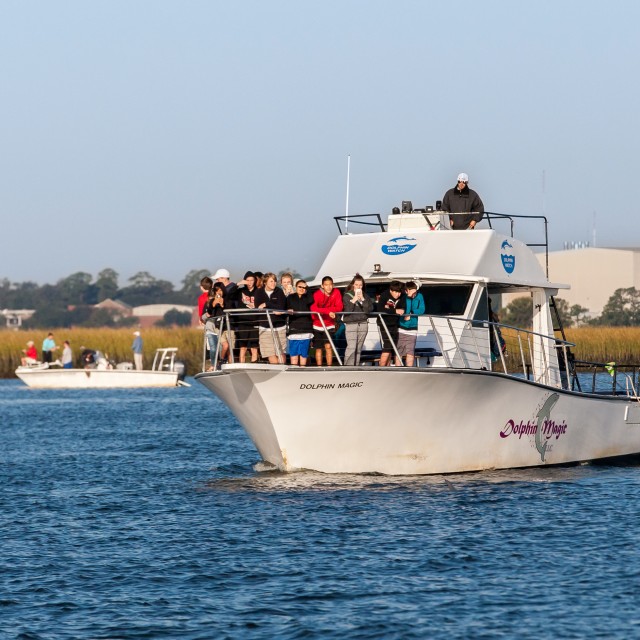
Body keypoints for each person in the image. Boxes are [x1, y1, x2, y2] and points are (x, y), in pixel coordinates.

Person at [254, 272, 288, 364]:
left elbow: (281, 307)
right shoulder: (259, 292)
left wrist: (267, 304)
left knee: (280, 352)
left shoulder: (279, 291)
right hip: (265, 327)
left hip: (279, 327)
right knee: (270, 353)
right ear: (265, 282)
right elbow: (258, 308)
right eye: (271, 281)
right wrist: (273, 308)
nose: (273, 283)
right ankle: (276, 372)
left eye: (275, 281)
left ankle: (282, 371)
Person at [310, 276, 344, 366]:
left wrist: (327, 311)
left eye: (330, 285)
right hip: (317, 324)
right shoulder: (317, 294)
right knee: (318, 348)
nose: (329, 287)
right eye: (326, 285)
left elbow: (339, 307)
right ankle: (319, 368)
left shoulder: (336, 292)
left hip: (329, 324)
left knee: (328, 346)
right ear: (322, 286)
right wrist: (328, 311)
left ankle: (329, 367)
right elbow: (313, 308)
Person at [342, 274, 374, 366]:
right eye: (356, 285)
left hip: (363, 324)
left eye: (360, 285)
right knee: (351, 348)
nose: (358, 287)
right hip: (351, 324)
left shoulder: (366, 296)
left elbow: (369, 311)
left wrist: (363, 300)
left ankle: (356, 367)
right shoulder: (347, 296)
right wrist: (354, 300)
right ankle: (348, 368)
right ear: (353, 285)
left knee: (358, 348)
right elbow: (347, 311)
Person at [376, 281, 405, 367]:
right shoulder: (384, 295)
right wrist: (394, 310)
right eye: (396, 292)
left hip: (395, 324)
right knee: (387, 346)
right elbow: (380, 309)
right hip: (384, 324)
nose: (398, 294)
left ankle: (387, 367)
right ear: (391, 290)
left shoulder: (402, 296)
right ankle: (381, 367)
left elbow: (403, 308)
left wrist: (388, 308)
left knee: (392, 347)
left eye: (399, 292)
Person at [286, 279, 314, 366]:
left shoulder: (307, 298)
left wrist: (307, 288)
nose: (302, 288)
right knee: (294, 354)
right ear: (295, 287)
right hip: (294, 329)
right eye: (300, 287)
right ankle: (294, 373)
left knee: (304, 354)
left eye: (304, 287)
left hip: (306, 330)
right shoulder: (290, 297)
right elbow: (286, 307)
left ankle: (303, 371)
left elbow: (311, 300)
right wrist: (288, 310)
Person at [398, 282, 425, 366]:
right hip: (401, 327)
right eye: (412, 292)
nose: (414, 294)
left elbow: (422, 309)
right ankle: (397, 368)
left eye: (415, 292)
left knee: (410, 351)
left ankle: (409, 368)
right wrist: (409, 297)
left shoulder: (419, 296)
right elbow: (404, 309)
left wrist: (412, 312)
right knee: (399, 351)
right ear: (406, 291)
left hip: (413, 327)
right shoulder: (403, 297)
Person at [235, 271, 260, 364]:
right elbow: (229, 293)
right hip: (243, 323)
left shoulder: (259, 291)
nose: (249, 282)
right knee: (243, 347)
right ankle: (242, 365)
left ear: (255, 281)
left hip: (255, 322)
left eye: (252, 280)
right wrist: (239, 284)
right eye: (247, 280)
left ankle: (254, 364)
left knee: (254, 347)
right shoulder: (240, 291)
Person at [202, 282, 227, 369]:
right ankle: (213, 365)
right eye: (212, 296)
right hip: (210, 329)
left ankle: (220, 364)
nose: (214, 298)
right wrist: (208, 315)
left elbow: (224, 313)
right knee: (213, 349)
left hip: (219, 328)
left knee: (221, 348)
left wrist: (221, 304)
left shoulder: (222, 302)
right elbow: (203, 317)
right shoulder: (208, 304)